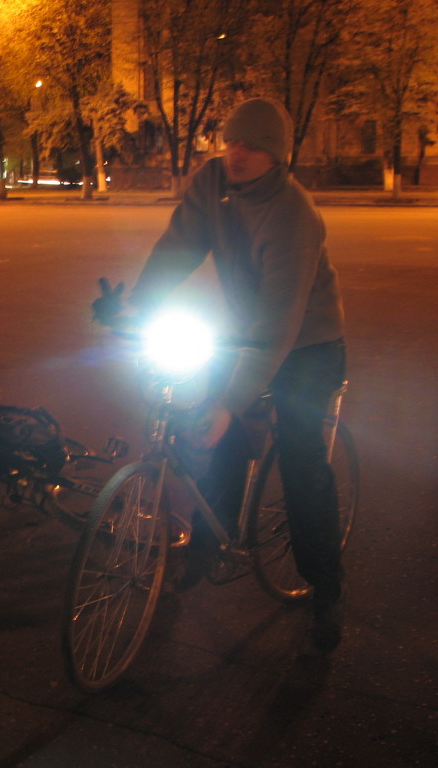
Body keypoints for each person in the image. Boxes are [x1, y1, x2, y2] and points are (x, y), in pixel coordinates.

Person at [93, 97, 347, 652]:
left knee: (302, 468)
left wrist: (232, 400)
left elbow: (279, 326)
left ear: (276, 155)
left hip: (309, 343)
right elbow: (179, 245)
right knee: (214, 432)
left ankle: (326, 590)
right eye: (231, 140)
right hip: (249, 333)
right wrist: (137, 305)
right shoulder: (213, 182)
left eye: (252, 145)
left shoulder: (293, 214)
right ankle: (212, 541)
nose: (237, 152)